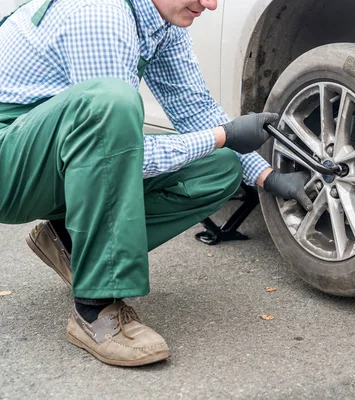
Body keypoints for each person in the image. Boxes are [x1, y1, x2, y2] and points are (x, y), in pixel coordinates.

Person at [0, 0, 313, 367]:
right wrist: (221, 134)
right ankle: (94, 310)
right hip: (10, 165)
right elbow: (119, 149)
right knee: (112, 103)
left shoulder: (161, 22)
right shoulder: (101, 14)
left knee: (219, 167)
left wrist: (267, 176)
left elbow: (194, 110)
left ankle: (66, 240)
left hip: (51, 158)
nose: (210, 4)